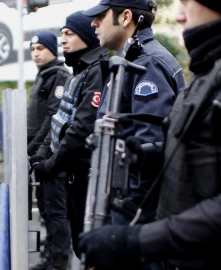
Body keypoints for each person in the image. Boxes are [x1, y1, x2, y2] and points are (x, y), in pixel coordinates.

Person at [78, 1, 221, 269]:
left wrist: (136, 241)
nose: (179, 14)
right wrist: (154, 156)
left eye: (186, 2)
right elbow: (211, 151)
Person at [83, 0, 185, 225]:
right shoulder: (132, 58)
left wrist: (132, 218)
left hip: (134, 208)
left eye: (101, 15)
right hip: (124, 198)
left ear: (126, 17)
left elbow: (150, 150)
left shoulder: (146, 62)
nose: (93, 23)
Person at [30, 10, 109, 262]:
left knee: (89, 248)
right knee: (80, 243)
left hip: (86, 175)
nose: (63, 40)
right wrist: (42, 153)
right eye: (62, 34)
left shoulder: (96, 70)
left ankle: (57, 259)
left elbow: (82, 127)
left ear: (86, 35)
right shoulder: (80, 70)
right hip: (72, 172)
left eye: (69, 34)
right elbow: (58, 120)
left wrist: (51, 164)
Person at [27, 30, 71, 270]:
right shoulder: (43, 75)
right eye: (33, 50)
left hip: (50, 153)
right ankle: (50, 254)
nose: (36, 53)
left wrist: (35, 146)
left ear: (52, 50)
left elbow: (53, 115)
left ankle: (60, 259)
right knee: (45, 208)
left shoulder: (58, 76)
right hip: (39, 155)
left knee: (55, 209)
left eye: (40, 49)